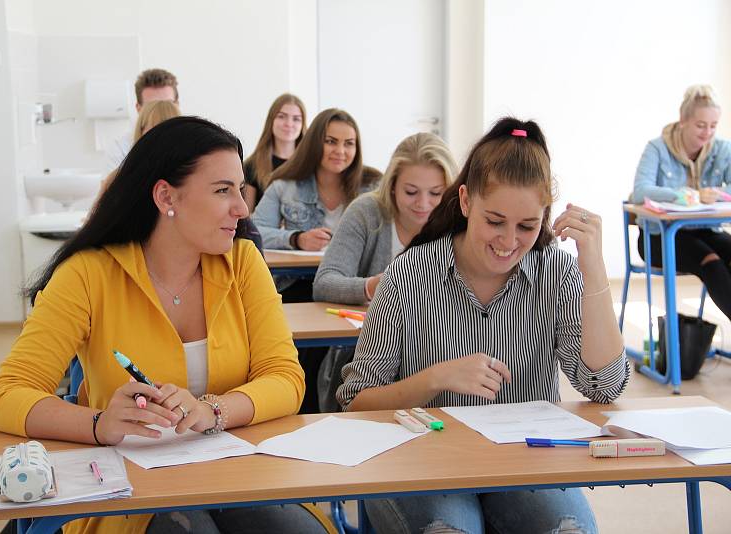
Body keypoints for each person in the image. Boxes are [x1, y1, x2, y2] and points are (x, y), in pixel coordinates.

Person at [0, 117, 332, 534]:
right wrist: (99, 423)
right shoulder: (88, 273)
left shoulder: (243, 263)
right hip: (130, 490)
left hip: (236, 471)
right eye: (223, 190)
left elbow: (285, 378)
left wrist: (211, 410)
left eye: (239, 190)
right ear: (166, 195)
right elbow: (7, 395)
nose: (242, 209)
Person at [338, 117, 630, 534]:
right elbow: (355, 402)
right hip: (426, 456)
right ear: (465, 201)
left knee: (570, 530)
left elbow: (605, 387)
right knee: (447, 529)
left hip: (525, 458)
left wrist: (594, 269)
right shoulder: (409, 274)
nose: (509, 241)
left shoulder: (558, 273)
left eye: (527, 226)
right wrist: (436, 377)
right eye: (495, 221)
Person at [312, 132, 458, 411]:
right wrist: (374, 287)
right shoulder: (367, 212)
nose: (423, 204)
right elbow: (325, 281)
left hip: (437, 353)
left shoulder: (458, 222)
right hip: (366, 356)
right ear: (391, 186)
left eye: (436, 193)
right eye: (411, 192)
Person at [252, 107, 380, 301]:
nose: (340, 151)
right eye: (331, 142)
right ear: (314, 143)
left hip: (355, 284)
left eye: (349, 144)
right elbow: (254, 233)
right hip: (297, 283)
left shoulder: (373, 188)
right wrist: (297, 239)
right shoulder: (284, 186)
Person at [632, 84, 731, 322]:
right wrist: (684, 196)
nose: (707, 132)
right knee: (711, 261)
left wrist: (717, 193)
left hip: (705, 231)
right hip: (659, 236)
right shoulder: (657, 148)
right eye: (700, 125)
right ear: (683, 120)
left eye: (713, 126)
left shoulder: (722, 149)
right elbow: (639, 193)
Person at [97, 100, 181, 198]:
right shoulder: (121, 174)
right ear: (141, 131)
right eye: (155, 128)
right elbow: (103, 206)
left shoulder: (189, 170)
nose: (161, 136)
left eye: (168, 129)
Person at [105, 68, 179, 170]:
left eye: (167, 104)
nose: (160, 111)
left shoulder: (195, 143)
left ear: (177, 105)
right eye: (151, 106)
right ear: (138, 109)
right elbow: (108, 186)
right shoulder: (121, 149)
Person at [243, 93, 307, 211]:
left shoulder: (310, 164)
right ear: (271, 120)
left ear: (303, 125)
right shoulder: (251, 165)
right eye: (282, 116)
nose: (289, 124)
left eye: (296, 119)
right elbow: (246, 218)